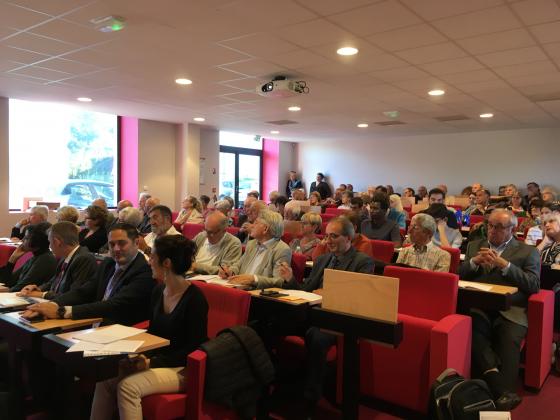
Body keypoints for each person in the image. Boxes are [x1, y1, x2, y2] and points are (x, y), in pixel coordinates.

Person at [89, 235, 208, 420]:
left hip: (183, 368)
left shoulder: (195, 299)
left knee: (128, 386)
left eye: (152, 256)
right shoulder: (158, 291)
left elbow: (193, 348)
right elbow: (153, 334)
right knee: (105, 380)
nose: (149, 261)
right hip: (160, 361)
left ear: (166, 263)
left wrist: (150, 363)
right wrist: (138, 356)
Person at [279, 217, 373, 411]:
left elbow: (358, 297)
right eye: (327, 235)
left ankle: (311, 396)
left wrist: (330, 295)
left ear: (348, 238)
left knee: (317, 336)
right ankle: (279, 383)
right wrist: (290, 280)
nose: (328, 240)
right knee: (274, 323)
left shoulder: (362, 262)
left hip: (338, 317)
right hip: (312, 312)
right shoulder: (323, 259)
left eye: (334, 236)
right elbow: (306, 289)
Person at [459, 209, 540, 410]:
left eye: (499, 227)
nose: (492, 231)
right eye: (490, 225)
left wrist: (506, 265)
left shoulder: (527, 251)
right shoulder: (474, 246)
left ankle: (495, 386)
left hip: (511, 309)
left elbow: (533, 285)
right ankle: (503, 391)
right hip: (479, 306)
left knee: (508, 338)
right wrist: (473, 263)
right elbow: (457, 275)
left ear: (512, 229)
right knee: (473, 331)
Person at [25, 223, 156, 326]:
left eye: (122, 243)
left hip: (122, 331)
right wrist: (53, 304)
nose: (116, 249)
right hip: (95, 325)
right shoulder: (108, 264)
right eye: (112, 244)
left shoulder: (144, 270)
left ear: (137, 243)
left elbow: (115, 305)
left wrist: (63, 311)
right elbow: (84, 291)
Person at [17, 221, 97, 300]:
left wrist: (43, 295)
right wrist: (38, 288)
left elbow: (74, 295)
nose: (49, 246)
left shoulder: (83, 259)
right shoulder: (65, 256)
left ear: (57, 242)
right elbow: (54, 281)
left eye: (50, 242)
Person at [219, 210, 291, 288]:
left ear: (265, 229)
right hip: (239, 287)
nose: (252, 226)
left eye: (256, 223)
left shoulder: (281, 249)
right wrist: (230, 271)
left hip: (257, 294)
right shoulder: (251, 244)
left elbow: (279, 281)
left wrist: (254, 279)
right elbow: (239, 265)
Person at [0, 222, 57, 292]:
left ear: (36, 241)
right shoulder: (35, 258)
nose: (22, 240)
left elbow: (20, 288)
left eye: (26, 238)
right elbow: (7, 282)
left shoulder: (45, 260)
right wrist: (12, 260)